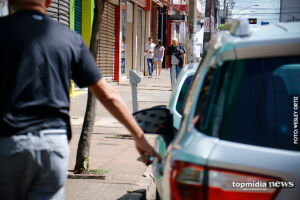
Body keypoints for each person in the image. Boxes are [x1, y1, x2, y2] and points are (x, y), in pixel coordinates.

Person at [0, 0, 159, 199]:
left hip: (8, 144)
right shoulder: (67, 38)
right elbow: (107, 94)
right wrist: (139, 136)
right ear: (49, 2)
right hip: (52, 147)